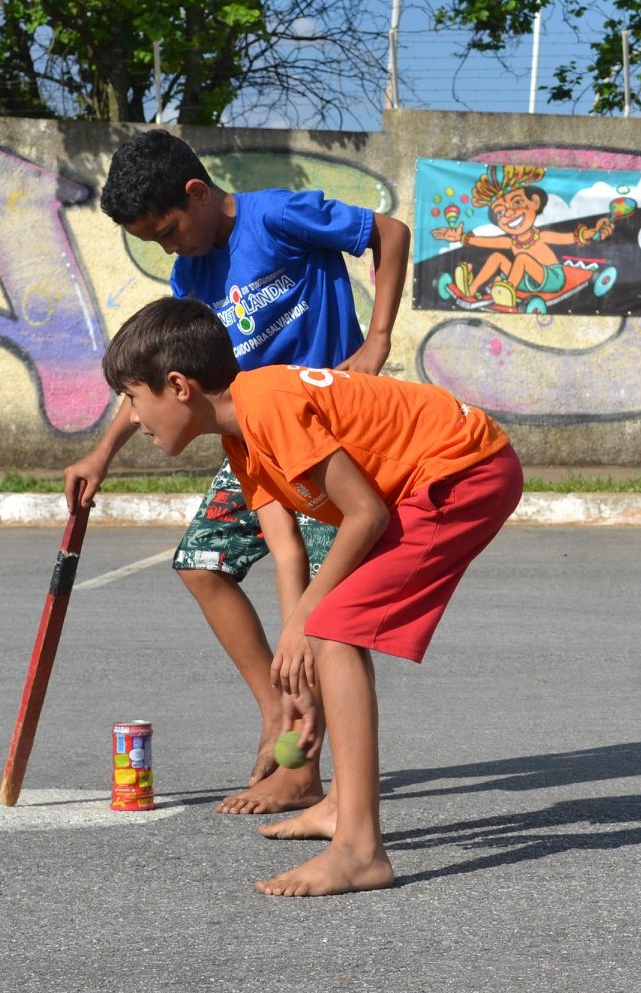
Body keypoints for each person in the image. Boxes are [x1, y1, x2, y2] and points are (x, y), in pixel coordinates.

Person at [103, 296, 523, 896]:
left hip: (465, 470)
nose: (131, 415)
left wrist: (307, 624)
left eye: (132, 396)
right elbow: (288, 550)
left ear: (178, 386)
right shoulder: (241, 437)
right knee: (327, 625)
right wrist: (293, 677)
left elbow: (363, 514)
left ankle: (360, 851)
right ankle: (341, 810)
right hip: (440, 472)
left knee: (333, 626)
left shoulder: (268, 404)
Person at [64, 129, 411, 816]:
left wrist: (375, 340)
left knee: (317, 606)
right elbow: (163, 379)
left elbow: (390, 232)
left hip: (321, 437)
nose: (170, 249)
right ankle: (279, 715)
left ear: (196, 193)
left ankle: (306, 769)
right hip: (254, 443)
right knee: (201, 561)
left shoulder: (277, 215)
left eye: (167, 231)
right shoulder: (191, 277)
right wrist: (102, 451)